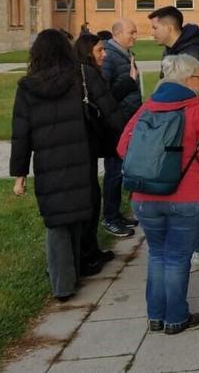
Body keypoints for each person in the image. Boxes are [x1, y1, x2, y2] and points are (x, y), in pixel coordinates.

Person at [117, 54, 199, 335]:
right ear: (187, 79)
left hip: (145, 198)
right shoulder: (195, 110)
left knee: (157, 255)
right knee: (178, 257)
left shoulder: (146, 108)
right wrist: (197, 159)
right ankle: (177, 317)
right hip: (186, 195)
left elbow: (123, 148)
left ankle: (155, 316)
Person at [11, 29, 120, 301]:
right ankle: (71, 273)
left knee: (58, 221)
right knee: (77, 214)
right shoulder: (81, 77)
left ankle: (64, 281)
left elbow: (20, 132)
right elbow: (111, 111)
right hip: (80, 156)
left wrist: (20, 174)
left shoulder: (27, 87)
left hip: (48, 161)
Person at [149, 6, 199, 258]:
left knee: (192, 188)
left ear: (169, 27)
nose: (151, 33)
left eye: (155, 27)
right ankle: (189, 244)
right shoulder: (172, 50)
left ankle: (198, 250)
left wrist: (176, 114)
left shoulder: (192, 52)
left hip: (184, 130)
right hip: (174, 128)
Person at [72, 33, 132, 274]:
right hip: (85, 145)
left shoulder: (81, 73)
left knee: (91, 197)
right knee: (91, 198)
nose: (104, 54)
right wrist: (128, 139)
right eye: (99, 50)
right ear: (88, 51)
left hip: (85, 145)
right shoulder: (88, 74)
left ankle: (90, 250)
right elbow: (109, 107)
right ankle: (88, 254)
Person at [100, 19, 142, 237]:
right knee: (114, 172)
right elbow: (105, 96)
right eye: (131, 32)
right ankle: (110, 218)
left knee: (121, 170)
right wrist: (128, 80)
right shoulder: (109, 58)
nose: (134, 36)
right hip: (116, 124)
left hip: (128, 120)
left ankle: (116, 214)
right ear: (117, 34)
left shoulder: (125, 54)